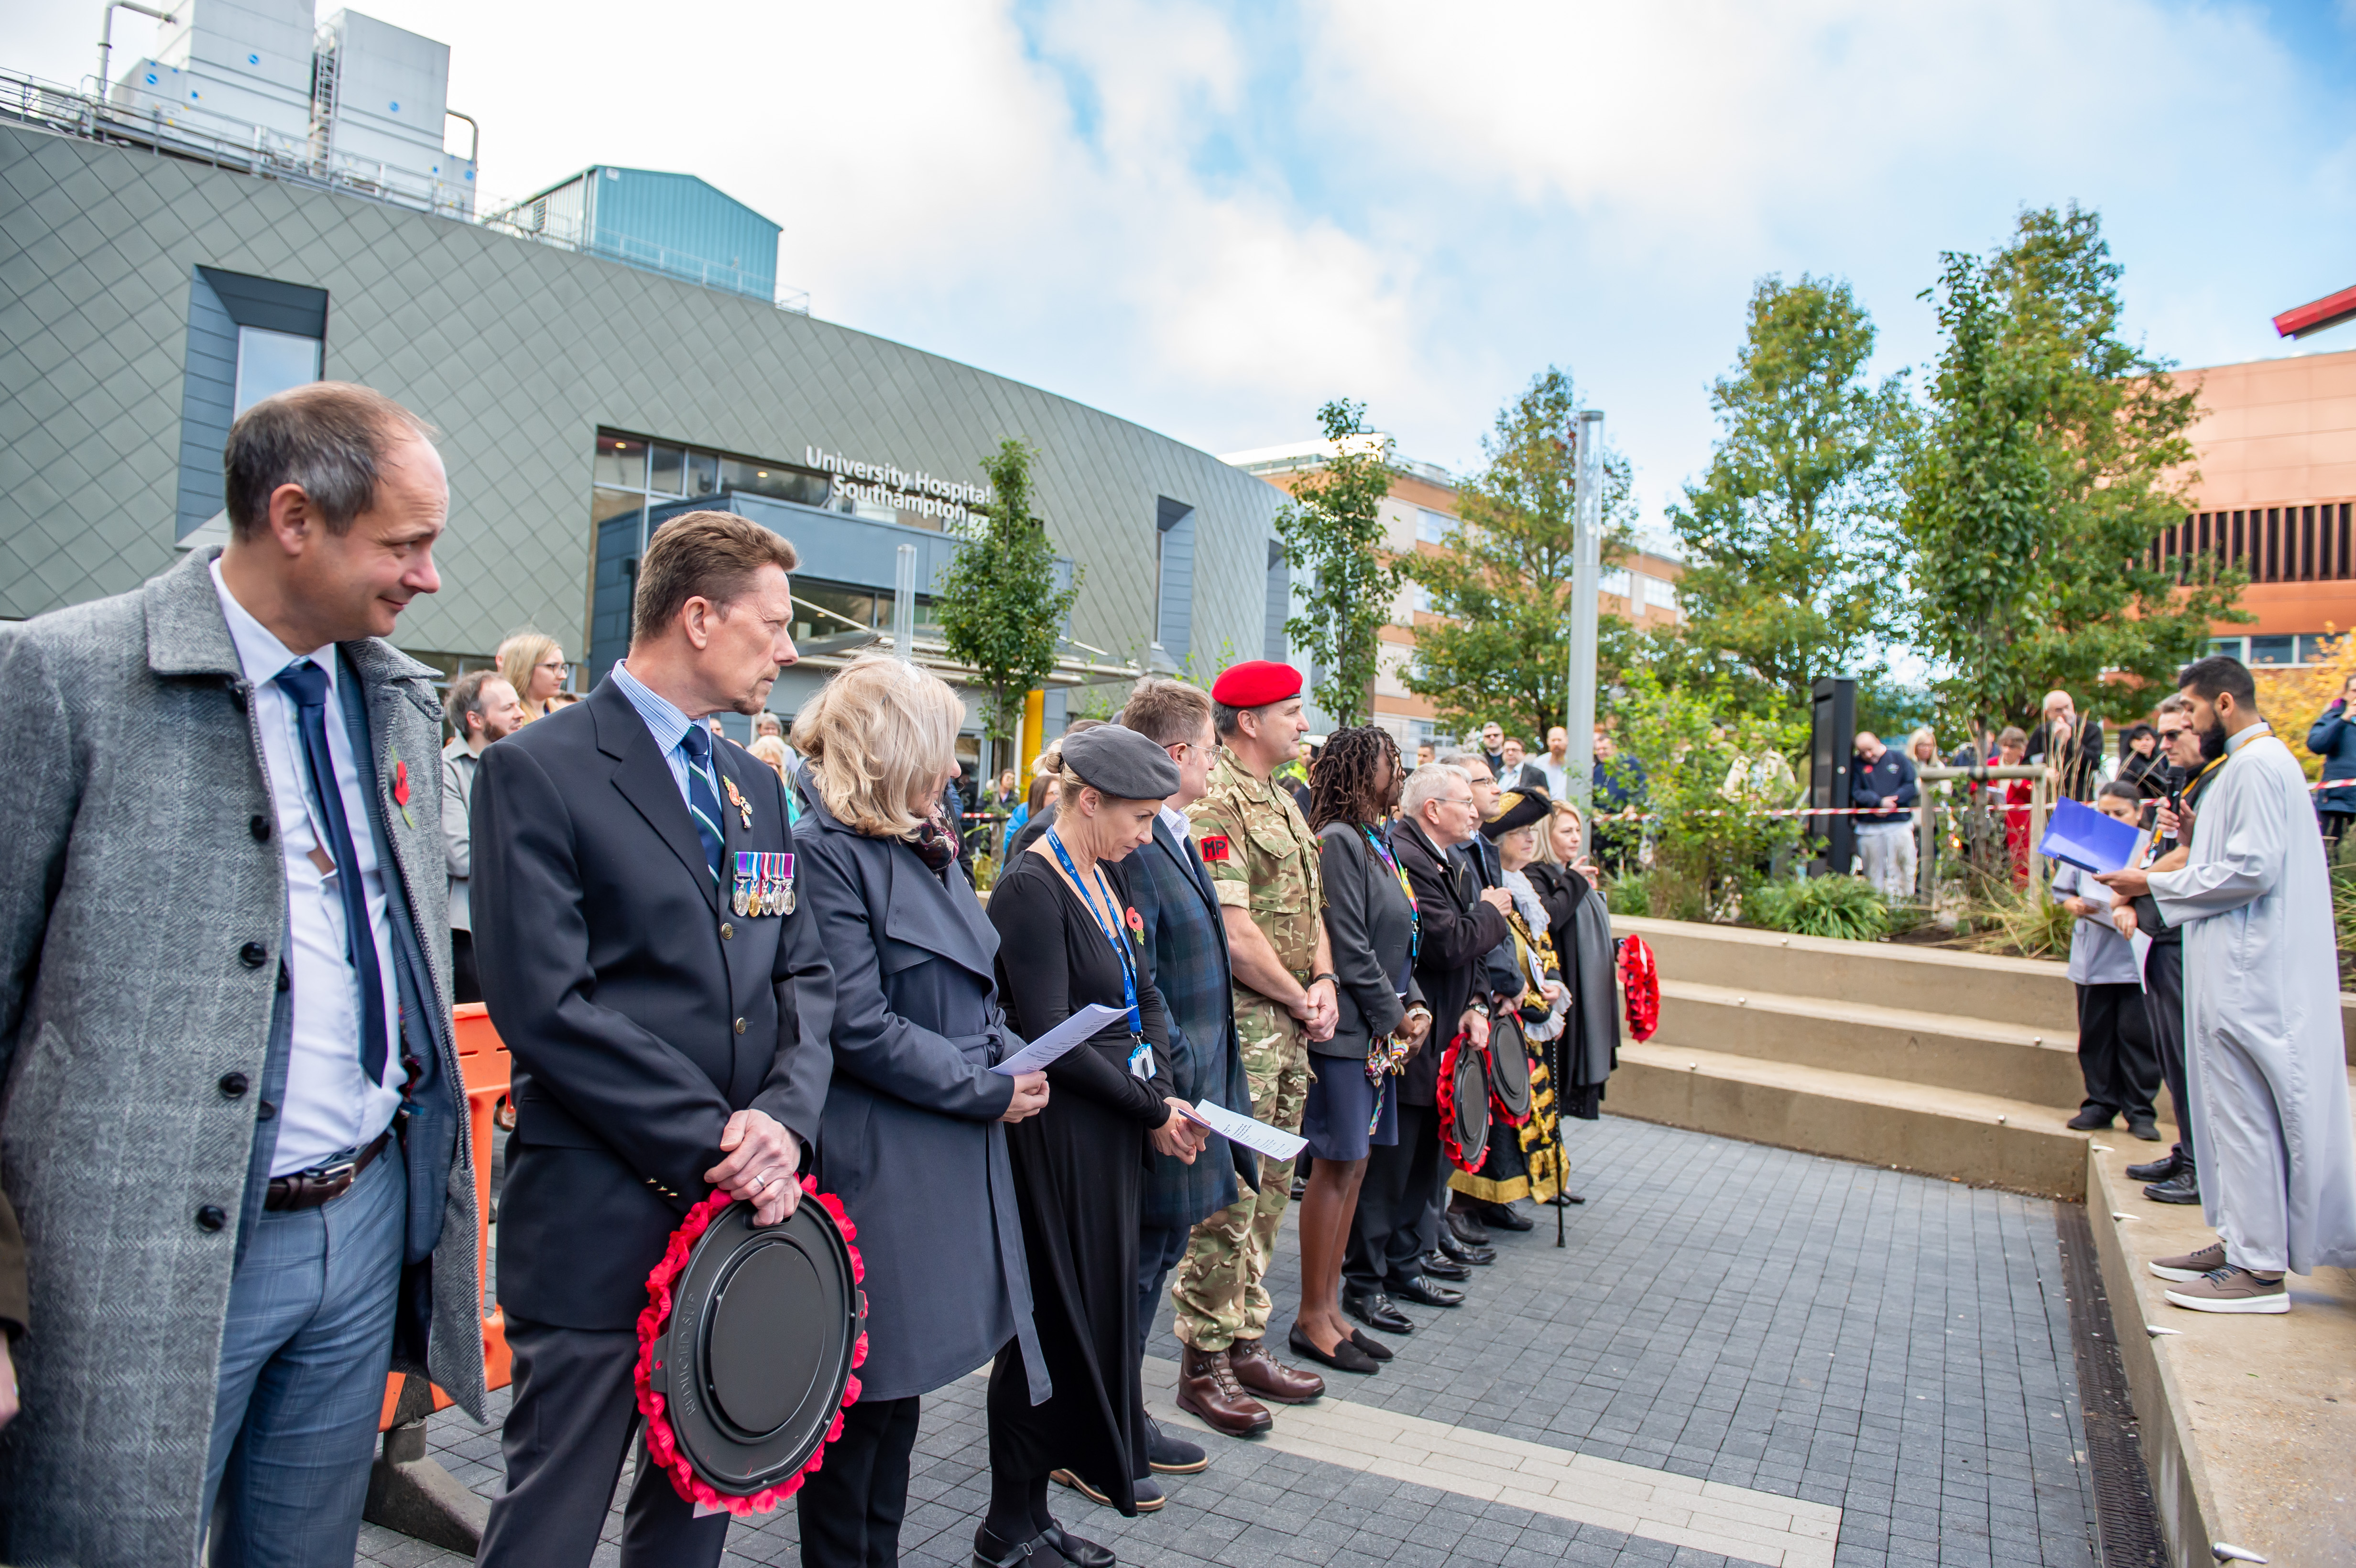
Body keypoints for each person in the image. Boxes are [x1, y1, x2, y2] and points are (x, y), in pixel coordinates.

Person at [0, 382, 483, 1568]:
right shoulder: (64, 678)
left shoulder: (395, 702)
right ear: (293, 518)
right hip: (133, 1274)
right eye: (405, 544)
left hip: (363, 1229)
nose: (428, 577)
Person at [470, 510, 833, 1567]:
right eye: (773, 623)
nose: (790, 646)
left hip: (737, 1221)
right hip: (597, 1219)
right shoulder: (540, 768)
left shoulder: (757, 785)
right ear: (700, 616)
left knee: (693, 1523)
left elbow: (802, 975)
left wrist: (785, 1119)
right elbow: (546, 1004)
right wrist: (725, 1134)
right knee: (553, 1512)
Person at [789, 657, 1049, 1568]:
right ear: (895, 747)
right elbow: (856, 1026)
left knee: (891, 1409)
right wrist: (988, 1085)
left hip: (933, 1147)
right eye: (942, 751)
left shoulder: (915, 843)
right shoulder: (826, 852)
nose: (953, 772)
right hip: (879, 1161)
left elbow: (970, 989)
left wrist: (1013, 1057)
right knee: (857, 1411)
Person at [984, 725, 1207, 1561]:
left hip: (1109, 1125)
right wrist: (1149, 1109)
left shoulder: (1101, 876)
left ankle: (1036, 1513)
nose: (1145, 836)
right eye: (1140, 818)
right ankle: (1008, 1521)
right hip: (1059, 1136)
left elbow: (1138, 989)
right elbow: (1046, 1032)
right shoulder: (1031, 889)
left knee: (1093, 1318)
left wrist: (1162, 1095)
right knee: (1046, 1329)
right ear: (1088, 802)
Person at [2099, 654, 2356, 1315]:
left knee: (2252, 1114)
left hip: (2255, 976)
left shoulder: (2261, 766)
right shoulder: (2243, 769)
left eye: (2187, 708)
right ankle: (2242, 1238)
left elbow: (2250, 871)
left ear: (2221, 703)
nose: (2180, 721)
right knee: (2234, 1114)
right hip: (2235, 972)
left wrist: (2149, 882)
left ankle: (2261, 1268)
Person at [1169, 661, 1333, 1433]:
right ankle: (1201, 1362)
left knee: (1272, 1189)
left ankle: (1244, 1343)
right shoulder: (1221, 802)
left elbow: (1310, 906)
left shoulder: (1286, 801)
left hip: (1290, 1027)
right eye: (1291, 712)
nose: (1302, 725)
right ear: (1247, 721)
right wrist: (1300, 996)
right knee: (1229, 1198)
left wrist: (1325, 979)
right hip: (1247, 1033)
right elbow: (1236, 934)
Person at [1115, 678, 1252, 1488]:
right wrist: (1165, 1092)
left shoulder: (1170, 829)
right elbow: (1142, 979)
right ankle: (1107, 1423)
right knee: (1135, 1266)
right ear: (1175, 756)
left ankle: (1122, 1414)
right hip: (1164, 1095)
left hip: (1193, 1089)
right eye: (1207, 748)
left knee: (1158, 1255)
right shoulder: (1137, 841)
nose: (1212, 761)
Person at [1343, 764, 1508, 1334]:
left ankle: (1404, 1264)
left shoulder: (1453, 858)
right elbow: (1445, 944)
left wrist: (1480, 1003)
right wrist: (1492, 912)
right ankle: (1366, 1280)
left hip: (1446, 1035)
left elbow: (1475, 956)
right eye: (1464, 801)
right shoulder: (1408, 854)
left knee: (1424, 1166)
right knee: (1391, 1171)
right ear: (1432, 809)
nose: (1475, 810)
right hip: (1412, 1037)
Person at [1296, 727, 1429, 1375]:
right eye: (1390, 763)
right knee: (1335, 1166)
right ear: (1358, 769)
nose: (1398, 773)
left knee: (1355, 1172)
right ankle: (1309, 1318)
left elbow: (1399, 940)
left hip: (1376, 1036)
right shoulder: (1338, 842)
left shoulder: (1379, 844)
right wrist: (1394, 1015)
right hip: (1347, 1037)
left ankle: (1333, 1312)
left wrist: (1418, 1004)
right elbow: (1348, 944)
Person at [1446, 792, 1568, 1218]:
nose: (1529, 841)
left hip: (1527, 1014)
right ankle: (1471, 1204)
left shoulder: (1526, 890)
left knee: (1520, 1111)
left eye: (1532, 833)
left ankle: (1507, 1197)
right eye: (1519, 833)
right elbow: (1500, 953)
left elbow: (1541, 950)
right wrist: (1528, 997)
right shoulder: (1494, 888)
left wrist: (1550, 985)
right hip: (1500, 1013)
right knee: (1492, 1116)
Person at [2122, 696, 2206, 1204]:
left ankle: (2199, 1164)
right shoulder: (2175, 787)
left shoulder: (2216, 785)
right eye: (2162, 734)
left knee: (2189, 1055)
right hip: (2159, 935)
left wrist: (2132, 884)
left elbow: (2192, 858)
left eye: (2175, 734)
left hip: (2185, 938)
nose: (2164, 744)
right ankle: (2186, 1149)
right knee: (2171, 1056)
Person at [2052, 784, 2161, 1141]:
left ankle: (2140, 1110)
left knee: (2137, 1035)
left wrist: (2128, 907)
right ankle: (2100, 1103)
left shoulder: (2150, 848)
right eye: (2105, 813)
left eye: (2120, 814)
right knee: (2095, 1033)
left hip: (2135, 954)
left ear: (2138, 813)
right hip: (2094, 952)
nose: (2111, 820)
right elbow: (2063, 894)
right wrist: (2077, 907)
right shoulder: (2083, 844)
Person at [1529, 798, 1618, 1125]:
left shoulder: (1567, 873)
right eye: (1566, 831)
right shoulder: (1536, 874)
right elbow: (1549, 919)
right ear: (1545, 835)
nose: (1576, 838)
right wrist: (1576, 882)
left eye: (1578, 830)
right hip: (1556, 998)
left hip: (1581, 994)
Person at [443, 669, 526, 1005]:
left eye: (518, 705)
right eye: (507, 708)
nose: (521, 714)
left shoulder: (524, 760)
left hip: (523, 925)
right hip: (472, 933)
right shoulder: (447, 769)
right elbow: (460, 856)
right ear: (475, 719)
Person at [1851, 730, 1919, 900]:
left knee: (1904, 866)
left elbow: (1911, 786)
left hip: (1898, 824)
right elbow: (1856, 791)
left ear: (1878, 742)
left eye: (1870, 749)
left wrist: (1893, 801)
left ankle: (1905, 906)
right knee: (1873, 871)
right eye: (1862, 752)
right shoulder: (1856, 765)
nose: (1868, 755)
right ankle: (1876, 907)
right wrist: (1878, 802)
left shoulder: (1899, 759)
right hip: (1870, 827)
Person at [2305, 672, 2356, 855]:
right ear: (2345, 694)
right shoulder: (2333, 718)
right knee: (2329, 857)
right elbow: (2316, 745)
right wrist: (2344, 719)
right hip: (2337, 803)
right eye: (2354, 691)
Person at [2030, 688, 2105, 803]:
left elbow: (2094, 764)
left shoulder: (2090, 729)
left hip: (2080, 797)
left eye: (2067, 707)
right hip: (2048, 799)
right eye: (2059, 710)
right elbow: (2027, 763)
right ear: (2048, 714)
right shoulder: (2042, 732)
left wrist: (2069, 740)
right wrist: (2043, 772)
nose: (2065, 713)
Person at [496, 628, 569, 722]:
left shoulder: (564, 716)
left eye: (563, 667)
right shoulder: (506, 719)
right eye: (553, 666)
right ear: (525, 668)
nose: (563, 676)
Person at [2117, 724, 2166, 796]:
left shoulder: (2159, 761)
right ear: (2131, 743)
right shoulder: (2128, 764)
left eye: (2148, 739)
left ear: (2155, 742)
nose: (2144, 743)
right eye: (2139, 740)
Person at [1536, 725, 1573, 800]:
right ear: (1548, 741)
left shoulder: (1573, 763)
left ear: (1567, 740)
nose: (1556, 744)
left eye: (1560, 740)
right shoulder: (1539, 763)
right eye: (1553, 740)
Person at [1477, 720, 1507, 785]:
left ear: (1502, 737)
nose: (1492, 738)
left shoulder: (1511, 757)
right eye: (1488, 736)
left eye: (1496, 735)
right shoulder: (1479, 761)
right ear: (1483, 739)